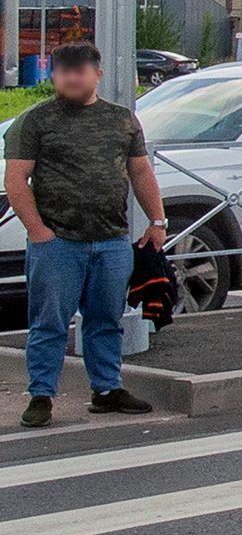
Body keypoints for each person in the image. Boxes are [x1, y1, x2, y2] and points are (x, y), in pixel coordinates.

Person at [6, 42, 166, 429]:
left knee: (106, 320)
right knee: (49, 323)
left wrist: (157, 221)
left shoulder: (121, 120)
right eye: (64, 71)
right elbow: (16, 179)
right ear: (54, 75)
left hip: (111, 239)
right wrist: (38, 231)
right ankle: (41, 395)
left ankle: (107, 389)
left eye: (80, 70)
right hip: (57, 243)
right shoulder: (34, 121)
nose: (72, 77)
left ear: (97, 74)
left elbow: (140, 173)